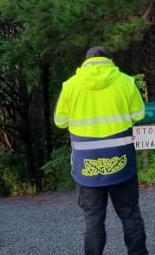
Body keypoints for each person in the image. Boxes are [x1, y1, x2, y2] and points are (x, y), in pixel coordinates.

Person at [54, 46, 149, 255]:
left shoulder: (70, 86)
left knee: (93, 219)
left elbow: (60, 122)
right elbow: (140, 114)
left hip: (87, 167)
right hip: (121, 163)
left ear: (85, 61)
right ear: (111, 61)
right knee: (130, 215)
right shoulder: (125, 81)